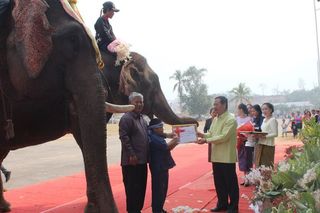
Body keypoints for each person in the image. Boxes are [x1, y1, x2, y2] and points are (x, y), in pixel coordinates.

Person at [197, 96, 239, 213]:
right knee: (219, 182)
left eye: (216, 104)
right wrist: (202, 135)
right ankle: (222, 204)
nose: (214, 106)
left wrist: (206, 140)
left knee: (231, 183)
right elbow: (211, 133)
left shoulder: (231, 119)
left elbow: (223, 137)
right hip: (216, 156)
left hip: (226, 157)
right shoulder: (216, 119)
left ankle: (234, 207)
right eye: (214, 104)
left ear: (224, 104)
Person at [119, 92, 149, 213]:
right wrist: (132, 154)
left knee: (141, 189)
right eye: (136, 101)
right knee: (132, 190)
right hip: (131, 162)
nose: (139, 104)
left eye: (141, 101)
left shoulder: (142, 119)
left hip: (142, 160)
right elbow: (124, 137)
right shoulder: (126, 118)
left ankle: (138, 210)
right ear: (130, 103)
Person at [148, 118, 178, 213]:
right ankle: (157, 210)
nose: (163, 128)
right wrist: (177, 139)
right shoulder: (153, 137)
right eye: (161, 127)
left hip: (162, 166)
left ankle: (159, 208)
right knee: (158, 190)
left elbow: (167, 148)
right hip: (158, 167)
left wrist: (174, 140)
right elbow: (166, 147)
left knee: (163, 189)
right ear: (155, 129)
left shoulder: (156, 135)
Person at [255, 103, 278, 167]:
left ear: (270, 110)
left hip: (268, 145)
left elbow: (275, 133)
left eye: (266, 109)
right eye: (262, 109)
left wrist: (264, 136)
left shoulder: (273, 120)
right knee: (260, 165)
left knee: (267, 166)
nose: (264, 111)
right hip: (261, 144)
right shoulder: (264, 120)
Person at [235, 104, 253, 187]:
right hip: (240, 142)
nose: (237, 111)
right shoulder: (236, 119)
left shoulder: (249, 119)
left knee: (248, 160)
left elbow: (252, 129)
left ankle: (248, 179)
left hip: (248, 142)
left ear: (241, 109)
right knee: (242, 160)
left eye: (238, 109)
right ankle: (246, 178)